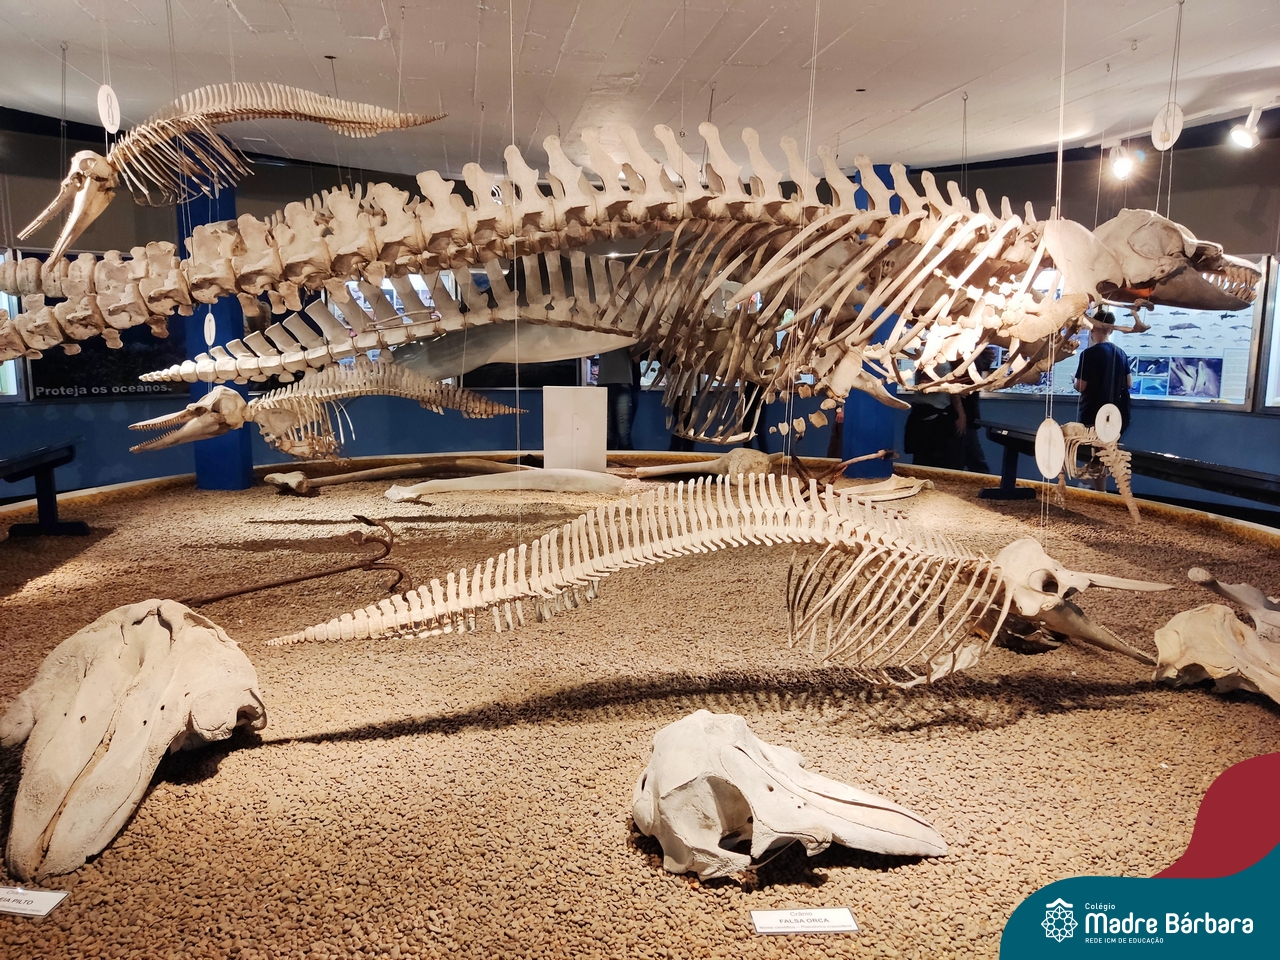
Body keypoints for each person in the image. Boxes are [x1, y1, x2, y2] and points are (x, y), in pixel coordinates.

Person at [1074, 310, 1132, 490]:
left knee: (1097, 452)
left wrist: (1074, 382)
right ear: (1111, 330)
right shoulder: (1121, 353)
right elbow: (1129, 383)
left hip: (1093, 411)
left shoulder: (1089, 354)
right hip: (1116, 413)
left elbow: (1081, 386)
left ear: (1095, 328)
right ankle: (1097, 489)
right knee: (1103, 453)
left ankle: (1095, 488)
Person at [597, 347, 640, 450]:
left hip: (622, 383)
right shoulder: (602, 338)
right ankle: (609, 459)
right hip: (604, 384)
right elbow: (589, 355)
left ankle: (626, 459)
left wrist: (631, 344)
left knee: (623, 435)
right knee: (608, 436)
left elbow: (637, 359)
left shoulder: (628, 338)